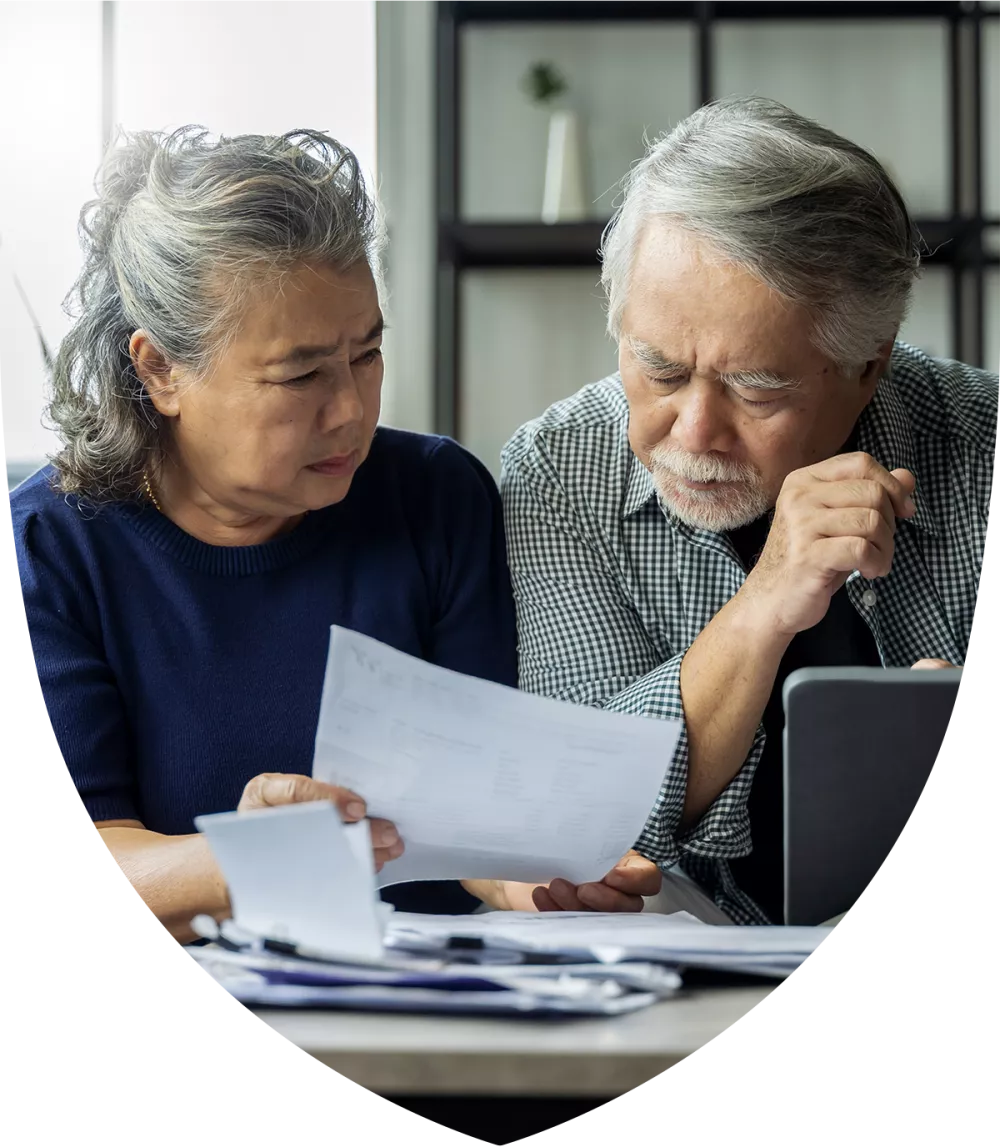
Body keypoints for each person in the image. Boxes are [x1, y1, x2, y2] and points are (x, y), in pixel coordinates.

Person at [11, 126, 660, 945]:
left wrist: (539, 873)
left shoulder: (437, 499)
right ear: (160, 371)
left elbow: (469, 823)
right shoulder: (51, 545)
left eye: (368, 353)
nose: (351, 409)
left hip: (439, 999)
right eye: (302, 374)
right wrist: (251, 857)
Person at [500, 96, 998, 924]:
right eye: (658, 368)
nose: (693, 430)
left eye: (756, 388)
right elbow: (571, 805)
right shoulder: (559, 468)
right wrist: (768, 600)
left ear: (867, 366)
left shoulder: (982, 449)